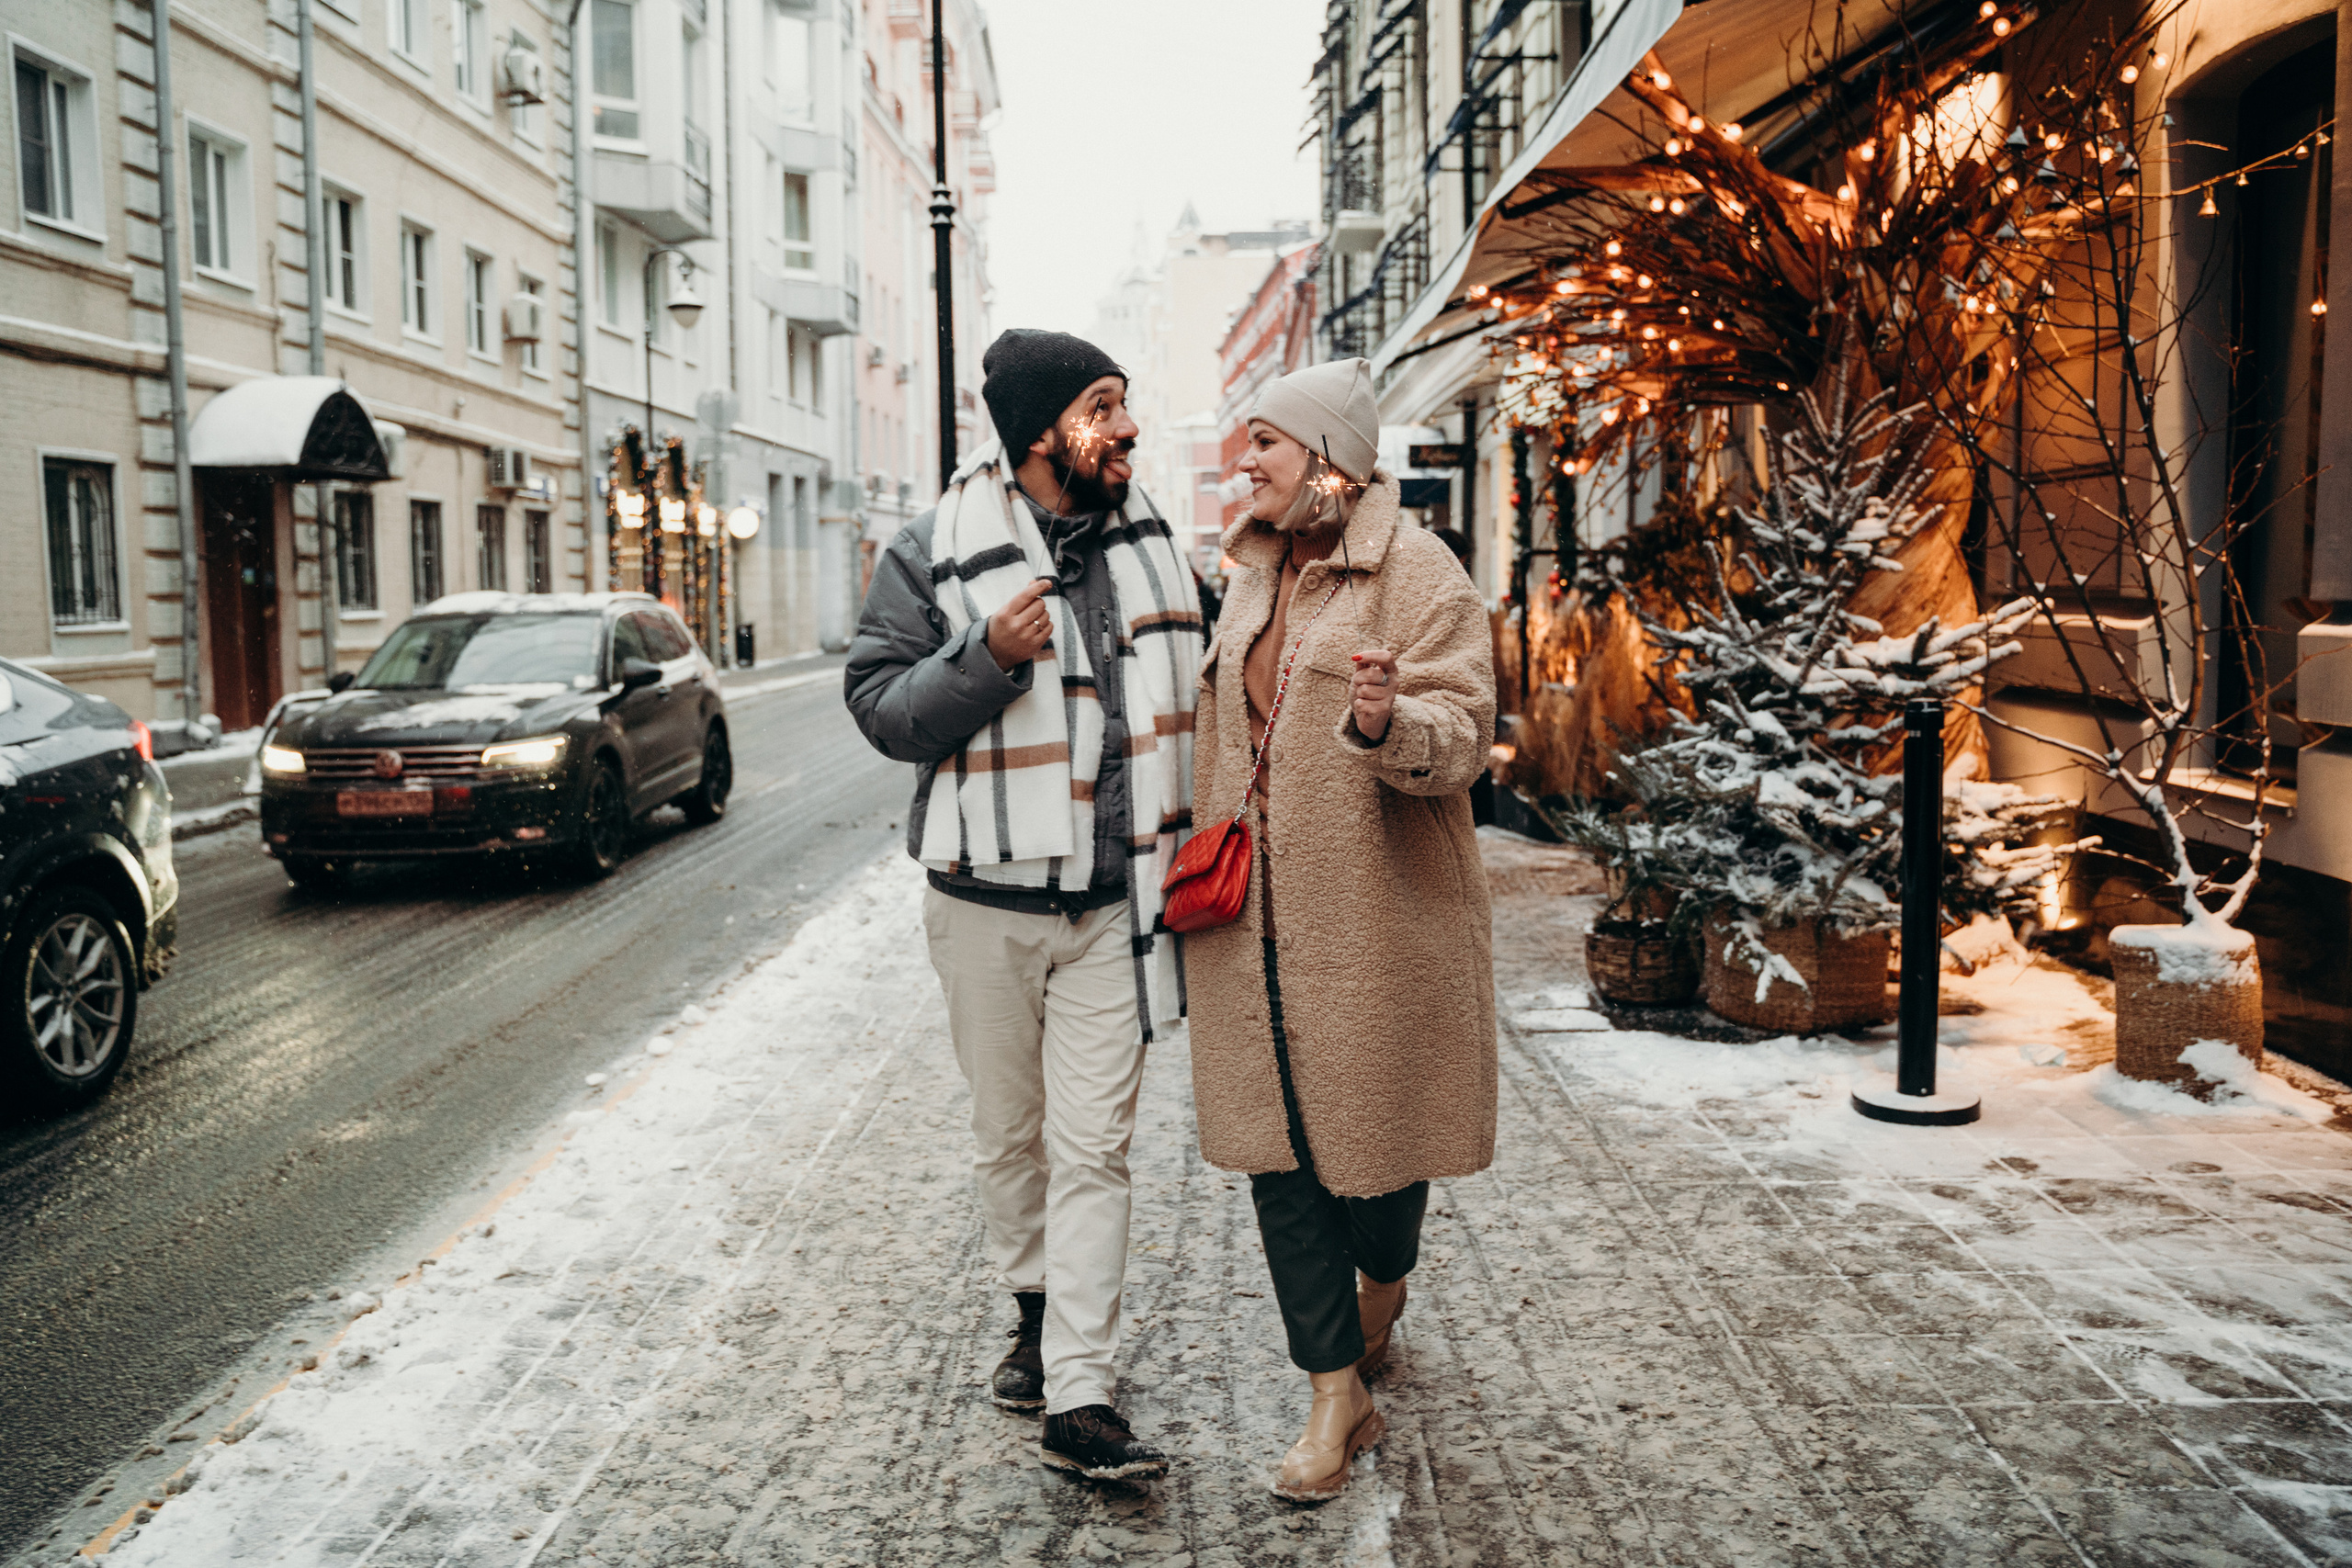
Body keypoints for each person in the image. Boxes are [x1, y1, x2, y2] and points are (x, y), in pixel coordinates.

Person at [844, 329, 1202, 1483]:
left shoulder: (1151, 548)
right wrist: (984, 657)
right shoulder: (929, 551)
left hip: (1110, 901)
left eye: (1127, 403)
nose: (1129, 428)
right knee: (1013, 1138)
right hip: (982, 901)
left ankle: (1081, 1393)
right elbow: (881, 709)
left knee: (1095, 1148)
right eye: (1105, 407)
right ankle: (1035, 1313)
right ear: (1043, 429)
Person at [1182, 357, 1498, 1502]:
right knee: (1282, 1155)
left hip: (1378, 919)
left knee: (1376, 1156)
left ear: (1327, 461)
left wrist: (1387, 718)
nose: (1244, 461)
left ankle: (1386, 1276)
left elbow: (1465, 733)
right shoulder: (1251, 575)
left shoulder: (1414, 572)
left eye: (1263, 440)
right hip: (1249, 917)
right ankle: (1333, 1393)